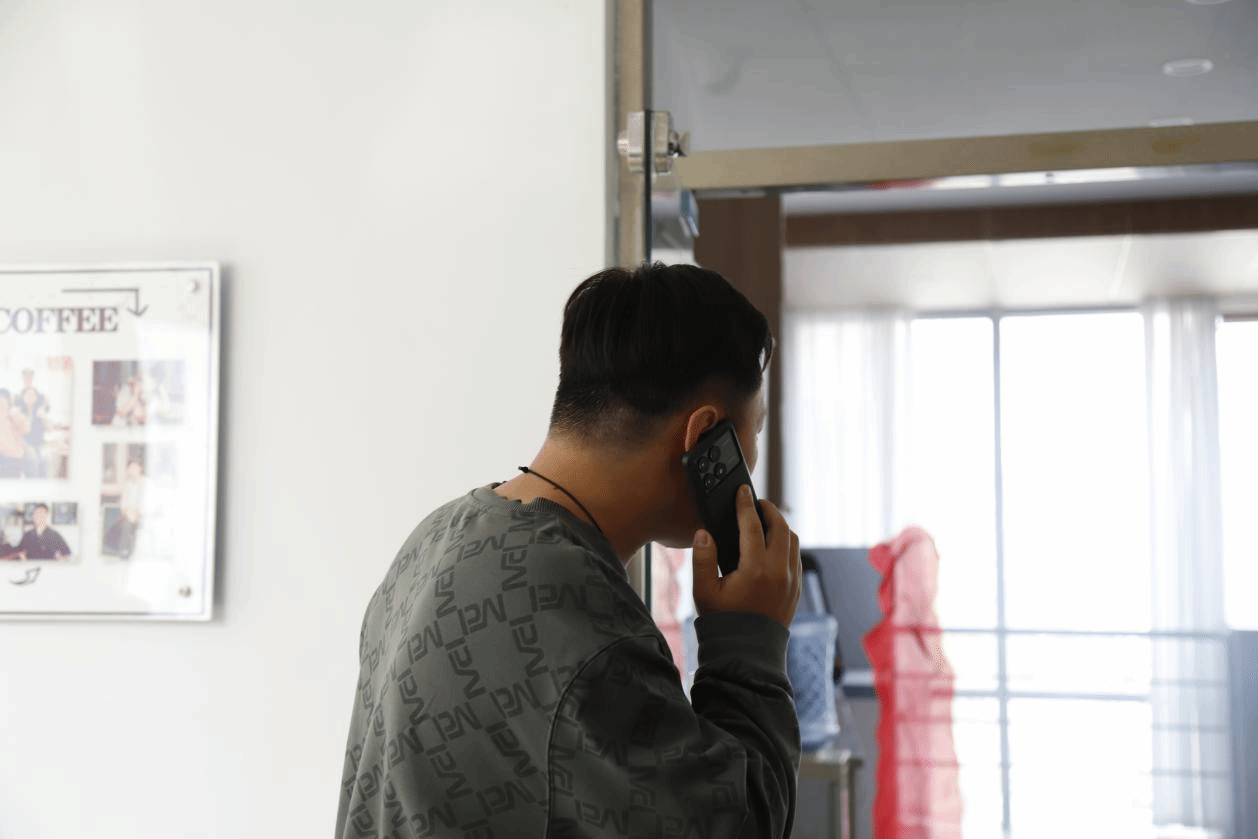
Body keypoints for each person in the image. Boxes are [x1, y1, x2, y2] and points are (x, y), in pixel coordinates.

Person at [336, 263, 804, 839]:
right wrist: (748, 644)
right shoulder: (577, 610)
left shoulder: (434, 537)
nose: (751, 461)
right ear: (703, 434)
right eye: (753, 430)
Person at [0, 389, 36, 478]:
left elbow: (26, 429)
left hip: (12, 458)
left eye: (3, 405)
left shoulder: (13, 415)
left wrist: (16, 416)